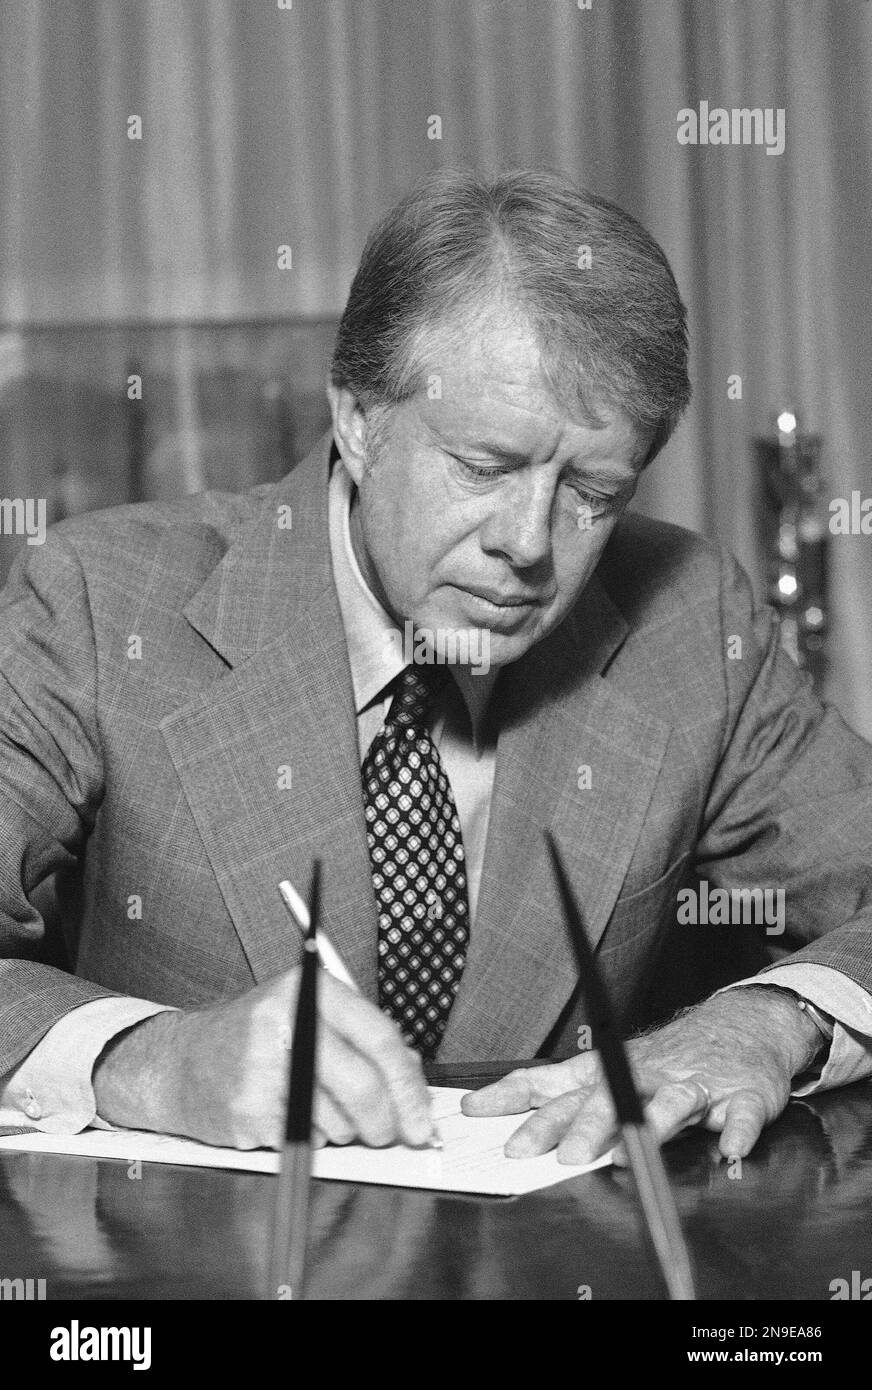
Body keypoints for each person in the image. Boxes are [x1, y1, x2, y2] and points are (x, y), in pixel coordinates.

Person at [1, 168, 870, 1166]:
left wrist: (767, 1020)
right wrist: (144, 1061)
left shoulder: (688, 622)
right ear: (358, 418)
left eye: (593, 489)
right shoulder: (101, 605)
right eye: (485, 466)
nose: (528, 541)